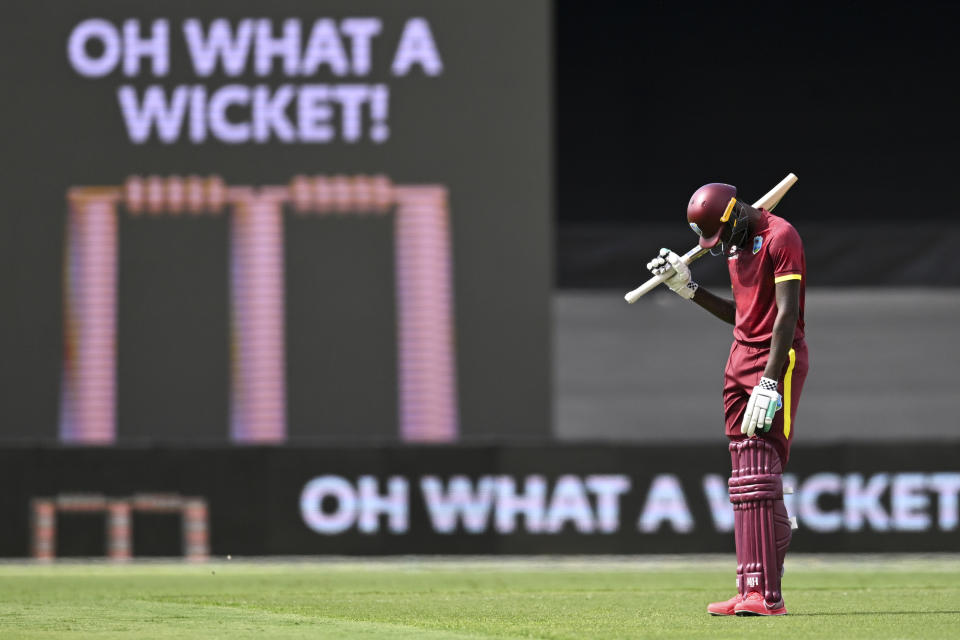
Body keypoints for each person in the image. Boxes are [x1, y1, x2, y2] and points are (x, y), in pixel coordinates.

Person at [646, 182, 808, 616]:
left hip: (775, 358)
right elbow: (745, 317)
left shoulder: (781, 236)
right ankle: (748, 585)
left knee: (760, 474)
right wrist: (689, 289)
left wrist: (771, 380)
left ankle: (767, 595)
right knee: (742, 476)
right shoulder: (736, 245)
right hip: (738, 357)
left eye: (720, 236)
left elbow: (785, 317)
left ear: (735, 214)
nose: (721, 247)